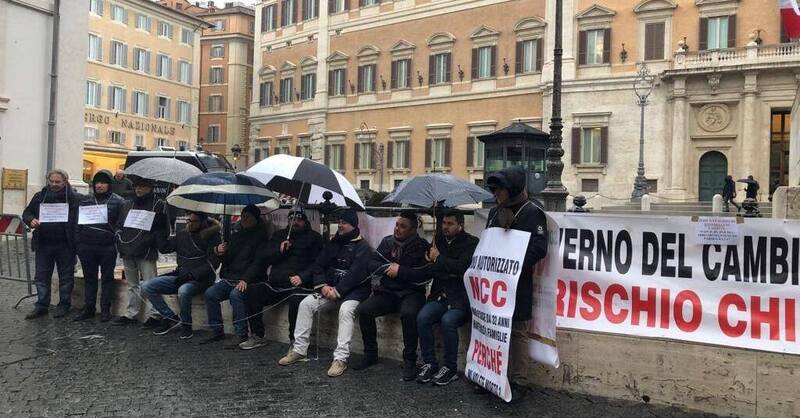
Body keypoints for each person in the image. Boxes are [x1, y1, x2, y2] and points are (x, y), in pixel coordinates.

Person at [278, 208, 371, 378]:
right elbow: (319, 265)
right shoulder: (333, 242)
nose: (340, 225)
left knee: (346, 311)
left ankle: (340, 358)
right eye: (339, 222)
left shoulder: (363, 247)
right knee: (306, 304)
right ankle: (299, 349)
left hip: (353, 292)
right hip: (329, 289)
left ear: (353, 225)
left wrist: (338, 291)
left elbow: (356, 274)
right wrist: (322, 286)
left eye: (344, 223)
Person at [484, 165, 548, 400]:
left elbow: (539, 248)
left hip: (518, 283)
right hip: (494, 284)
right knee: (492, 327)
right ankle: (491, 373)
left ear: (511, 189)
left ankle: (519, 380)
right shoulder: (494, 213)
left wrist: (514, 263)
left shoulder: (532, 212)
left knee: (518, 331)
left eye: (499, 190)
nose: (495, 194)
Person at [354, 212, 430, 381]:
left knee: (409, 314)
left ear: (413, 229)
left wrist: (400, 271)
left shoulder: (422, 246)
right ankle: (370, 353)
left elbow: (424, 275)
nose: (397, 229)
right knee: (364, 310)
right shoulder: (387, 242)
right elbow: (372, 263)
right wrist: (388, 268)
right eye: (397, 225)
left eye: (403, 226)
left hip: (411, 293)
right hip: (388, 292)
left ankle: (410, 360)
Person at [241, 207, 322, 350]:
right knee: (252, 292)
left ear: (305, 221)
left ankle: (295, 341)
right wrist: (279, 250)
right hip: (276, 284)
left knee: (297, 300)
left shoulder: (314, 237)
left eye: (298, 219)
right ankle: (258, 335)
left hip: (298, 284)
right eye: (291, 219)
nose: (294, 222)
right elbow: (264, 257)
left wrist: (302, 277)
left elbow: (318, 263)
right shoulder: (279, 235)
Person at [416, 212, 479, 386]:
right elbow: (432, 269)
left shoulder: (471, 243)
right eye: (444, 223)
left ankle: (450, 368)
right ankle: (430, 363)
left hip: (460, 299)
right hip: (439, 295)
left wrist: (439, 259)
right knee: (422, 317)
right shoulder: (438, 240)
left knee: (448, 321)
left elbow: (462, 268)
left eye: (450, 223)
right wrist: (438, 263)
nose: (445, 227)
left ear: (460, 225)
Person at [141, 211, 221, 339]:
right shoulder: (183, 234)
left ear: (203, 222)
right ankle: (170, 317)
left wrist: (192, 275)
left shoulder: (213, 236)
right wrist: (159, 230)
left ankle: (186, 324)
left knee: (183, 291)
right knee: (147, 286)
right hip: (181, 275)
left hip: (201, 279)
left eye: (194, 221)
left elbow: (213, 264)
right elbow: (165, 248)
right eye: (189, 220)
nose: (190, 223)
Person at [202, 204, 270, 347]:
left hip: (250, 280)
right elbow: (227, 260)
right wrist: (219, 251)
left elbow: (259, 262)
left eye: (248, 217)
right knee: (210, 293)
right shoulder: (236, 235)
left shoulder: (262, 237)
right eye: (242, 216)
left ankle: (241, 333)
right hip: (230, 277)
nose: (244, 219)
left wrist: (246, 279)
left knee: (236, 295)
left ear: (256, 218)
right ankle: (217, 331)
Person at [22, 169, 82, 319]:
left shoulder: (75, 198)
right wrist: (31, 220)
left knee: (66, 277)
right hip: (43, 243)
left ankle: (64, 305)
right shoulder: (40, 196)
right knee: (41, 277)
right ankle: (41, 305)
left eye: (58, 182)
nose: (54, 184)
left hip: (66, 245)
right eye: (52, 181)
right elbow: (27, 212)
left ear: (65, 182)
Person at [113, 177, 169, 327]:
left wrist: (150, 240)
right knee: (132, 284)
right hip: (128, 249)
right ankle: (131, 313)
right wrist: (119, 237)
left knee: (151, 283)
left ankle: (155, 314)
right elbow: (120, 224)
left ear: (150, 187)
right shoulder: (128, 204)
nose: (138, 189)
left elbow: (162, 229)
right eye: (137, 186)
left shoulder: (159, 205)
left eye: (142, 186)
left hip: (146, 250)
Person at [74, 170, 124, 322]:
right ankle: (89, 307)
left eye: (103, 183)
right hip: (87, 245)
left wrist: (116, 236)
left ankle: (105, 309)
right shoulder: (86, 200)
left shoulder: (118, 201)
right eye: (97, 182)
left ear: (109, 185)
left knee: (107, 278)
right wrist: (78, 242)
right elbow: (77, 222)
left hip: (107, 247)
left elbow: (121, 223)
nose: (99, 185)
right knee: (89, 278)